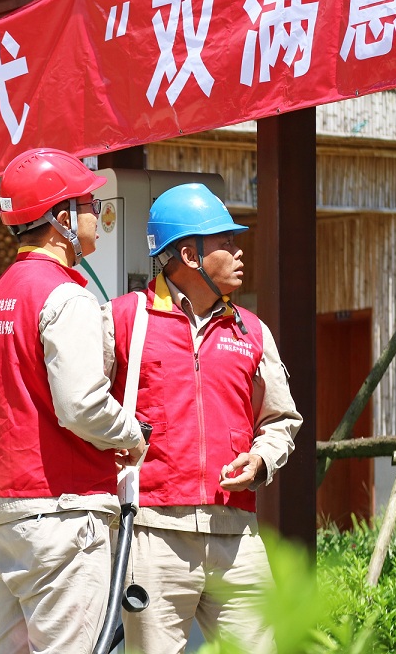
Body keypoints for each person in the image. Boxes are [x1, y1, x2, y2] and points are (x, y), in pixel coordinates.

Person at [102, 183, 302, 654]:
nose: (239, 252)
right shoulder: (121, 319)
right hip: (150, 534)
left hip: (237, 536)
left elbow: (281, 419)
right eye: (225, 242)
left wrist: (261, 460)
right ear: (190, 256)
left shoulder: (252, 331)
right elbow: (81, 408)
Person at [0, 147, 147, 654]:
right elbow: (82, 405)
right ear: (61, 220)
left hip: (2, 515)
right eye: (88, 206)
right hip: (60, 515)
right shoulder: (66, 296)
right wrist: (132, 435)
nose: (96, 216)